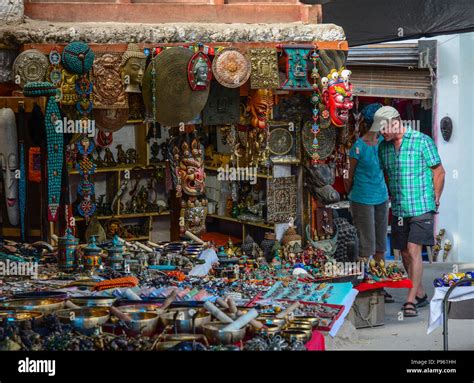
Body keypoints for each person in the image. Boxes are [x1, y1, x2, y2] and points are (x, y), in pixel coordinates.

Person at [375, 106, 446, 317]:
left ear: (394, 122)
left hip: (421, 206)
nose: (381, 133)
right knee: (404, 252)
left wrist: (436, 199)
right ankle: (421, 294)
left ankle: (410, 300)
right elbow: (387, 176)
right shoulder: (383, 148)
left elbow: (439, 171)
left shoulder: (422, 141)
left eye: (382, 129)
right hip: (399, 208)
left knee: (413, 249)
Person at [345, 103, 391, 301]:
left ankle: (379, 284)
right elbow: (348, 175)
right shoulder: (358, 147)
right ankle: (364, 284)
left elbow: (388, 170)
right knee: (367, 244)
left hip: (381, 198)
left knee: (380, 244)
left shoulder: (383, 143)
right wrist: (351, 193)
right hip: (362, 199)